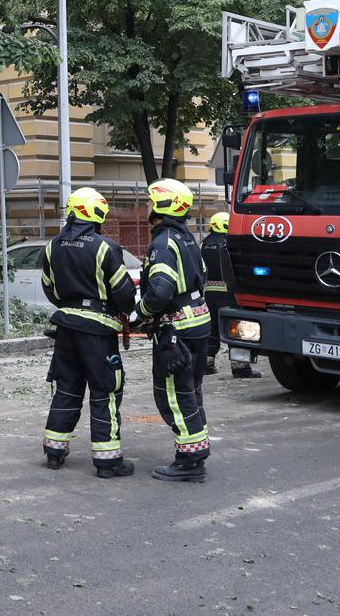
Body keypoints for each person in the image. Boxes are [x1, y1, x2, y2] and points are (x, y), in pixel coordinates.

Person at [39, 187, 139, 479]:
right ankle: (108, 462)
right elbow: (123, 292)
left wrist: (70, 305)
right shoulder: (105, 246)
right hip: (97, 331)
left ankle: (54, 453)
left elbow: (49, 288)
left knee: (67, 387)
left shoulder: (52, 246)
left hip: (66, 327)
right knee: (104, 390)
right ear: (96, 213)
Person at [138, 178, 213, 483]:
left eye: (150, 200)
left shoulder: (163, 242)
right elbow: (203, 277)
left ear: (161, 205)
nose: (146, 205)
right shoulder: (188, 238)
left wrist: (140, 312)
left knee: (174, 395)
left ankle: (190, 461)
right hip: (198, 323)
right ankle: (197, 446)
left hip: (176, 330)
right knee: (191, 391)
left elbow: (159, 291)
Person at [201, 212, 260, 379]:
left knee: (211, 331)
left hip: (208, 294)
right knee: (237, 330)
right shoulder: (229, 243)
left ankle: (206, 365)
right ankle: (240, 368)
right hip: (229, 294)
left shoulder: (203, 244)